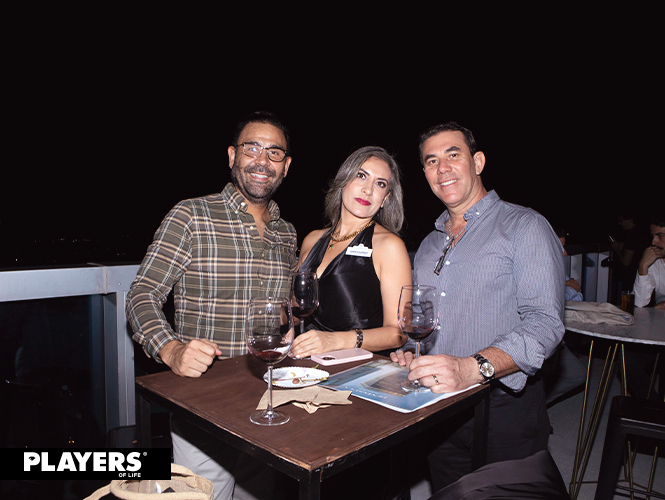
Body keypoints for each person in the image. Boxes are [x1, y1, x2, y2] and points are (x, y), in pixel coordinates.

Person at [126, 111, 297, 500]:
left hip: (267, 399)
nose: (262, 160)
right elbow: (142, 293)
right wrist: (171, 350)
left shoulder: (287, 234)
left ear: (286, 166)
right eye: (251, 148)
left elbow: (283, 309)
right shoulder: (191, 215)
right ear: (232, 155)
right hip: (203, 404)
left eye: (274, 152)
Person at [391, 122, 565, 490]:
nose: (442, 168)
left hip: (505, 405)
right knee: (449, 492)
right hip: (439, 404)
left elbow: (545, 324)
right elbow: (424, 318)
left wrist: (474, 368)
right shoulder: (428, 245)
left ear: (478, 162)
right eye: (431, 161)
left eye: (453, 154)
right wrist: (411, 350)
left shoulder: (525, 226)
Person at [291, 146, 412, 359]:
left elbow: (397, 333)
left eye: (380, 184)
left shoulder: (389, 246)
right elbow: (295, 312)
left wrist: (335, 340)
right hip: (303, 364)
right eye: (361, 176)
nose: (368, 190)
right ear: (344, 180)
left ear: (385, 198)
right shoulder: (312, 239)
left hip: (356, 368)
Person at [633, 211, 665, 309]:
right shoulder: (655, 260)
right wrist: (643, 265)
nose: (653, 242)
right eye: (653, 236)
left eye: (660, 235)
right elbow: (639, 303)